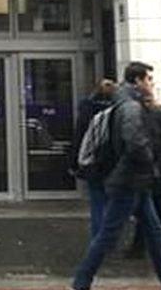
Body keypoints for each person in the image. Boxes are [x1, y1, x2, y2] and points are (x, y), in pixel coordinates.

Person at [70, 62, 161, 290]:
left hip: (137, 182)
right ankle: (80, 283)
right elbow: (134, 142)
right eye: (149, 79)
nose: (152, 84)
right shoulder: (131, 107)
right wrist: (149, 161)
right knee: (107, 236)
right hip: (129, 182)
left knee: (156, 237)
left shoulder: (130, 103)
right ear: (137, 81)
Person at [126, 94, 161, 258]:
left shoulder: (150, 120)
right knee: (151, 209)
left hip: (151, 172)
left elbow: (152, 146)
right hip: (156, 171)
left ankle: (144, 247)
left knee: (151, 209)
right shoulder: (160, 118)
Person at [71, 78, 117, 239]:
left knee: (97, 203)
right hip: (113, 163)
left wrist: (74, 162)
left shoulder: (87, 110)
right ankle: (110, 238)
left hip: (93, 162)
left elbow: (79, 136)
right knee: (115, 203)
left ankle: (98, 239)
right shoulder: (119, 110)